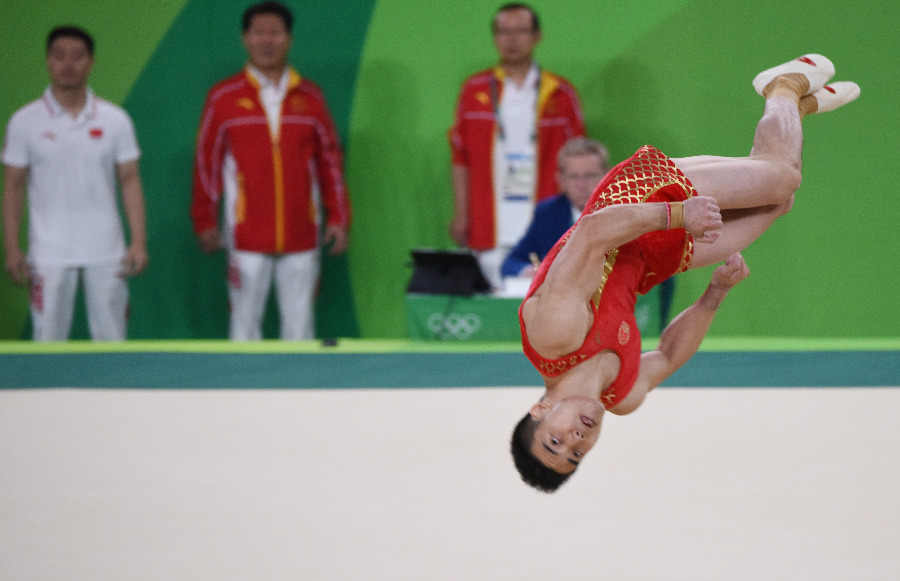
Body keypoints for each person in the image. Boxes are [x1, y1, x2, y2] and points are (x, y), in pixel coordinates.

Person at [510, 55, 861, 492]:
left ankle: (783, 87)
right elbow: (671, 355)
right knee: (778, 203)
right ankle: (797, 109)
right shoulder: (624, 396)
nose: (576, 440)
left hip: (630, 205)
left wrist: (676, 213)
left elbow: (593, 230)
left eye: (555, 442)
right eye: (576, 454)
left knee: (780, 179)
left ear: (539, 411)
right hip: (650, 260)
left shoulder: (553, 337)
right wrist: (713, 295)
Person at [191, 1, 351, 341]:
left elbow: (330, 162)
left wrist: (339, 217)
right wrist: (204, 218)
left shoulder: (311, 97)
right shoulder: (223, 97)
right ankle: (243, 394)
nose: (267, 40)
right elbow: (207, 162)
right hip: (245, 235)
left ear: (289, 39)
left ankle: (301, 394)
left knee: (300, 329)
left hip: (302, 234)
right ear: (245, 39)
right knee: (244, 328)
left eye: (275, 33)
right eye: (259, 32)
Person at [2, 26, 148, 341]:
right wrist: (12, 247)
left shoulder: (115, 120)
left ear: (92, 62)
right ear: (47, 61)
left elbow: (130, 181)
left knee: (112, 341)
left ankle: (115, 392)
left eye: (78, 56)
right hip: (48, 254)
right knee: (47, 342)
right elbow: (12, 187)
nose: (68, 64)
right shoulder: (23, 121)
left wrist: (138, 240)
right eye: (59, 56)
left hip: (107, 251)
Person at [448, 2, 585, 287]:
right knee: (494, 306)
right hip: (489, 219)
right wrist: (461, 214)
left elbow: (579, 162)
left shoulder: (561, 93)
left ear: (537, 36)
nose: (511, 39)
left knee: (545, 302)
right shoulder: (473, 91)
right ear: (494, 37)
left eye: (521, 31)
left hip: (543, 216)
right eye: (503, 32)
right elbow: (460, 159)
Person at [501, 137, 610, 278]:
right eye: (573, 177)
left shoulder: (622, 214)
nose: (582, 185)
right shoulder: (547, 213)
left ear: (607, 176)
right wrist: (533, 272)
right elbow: (511, 263)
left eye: (589, 176)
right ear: (561, 180)